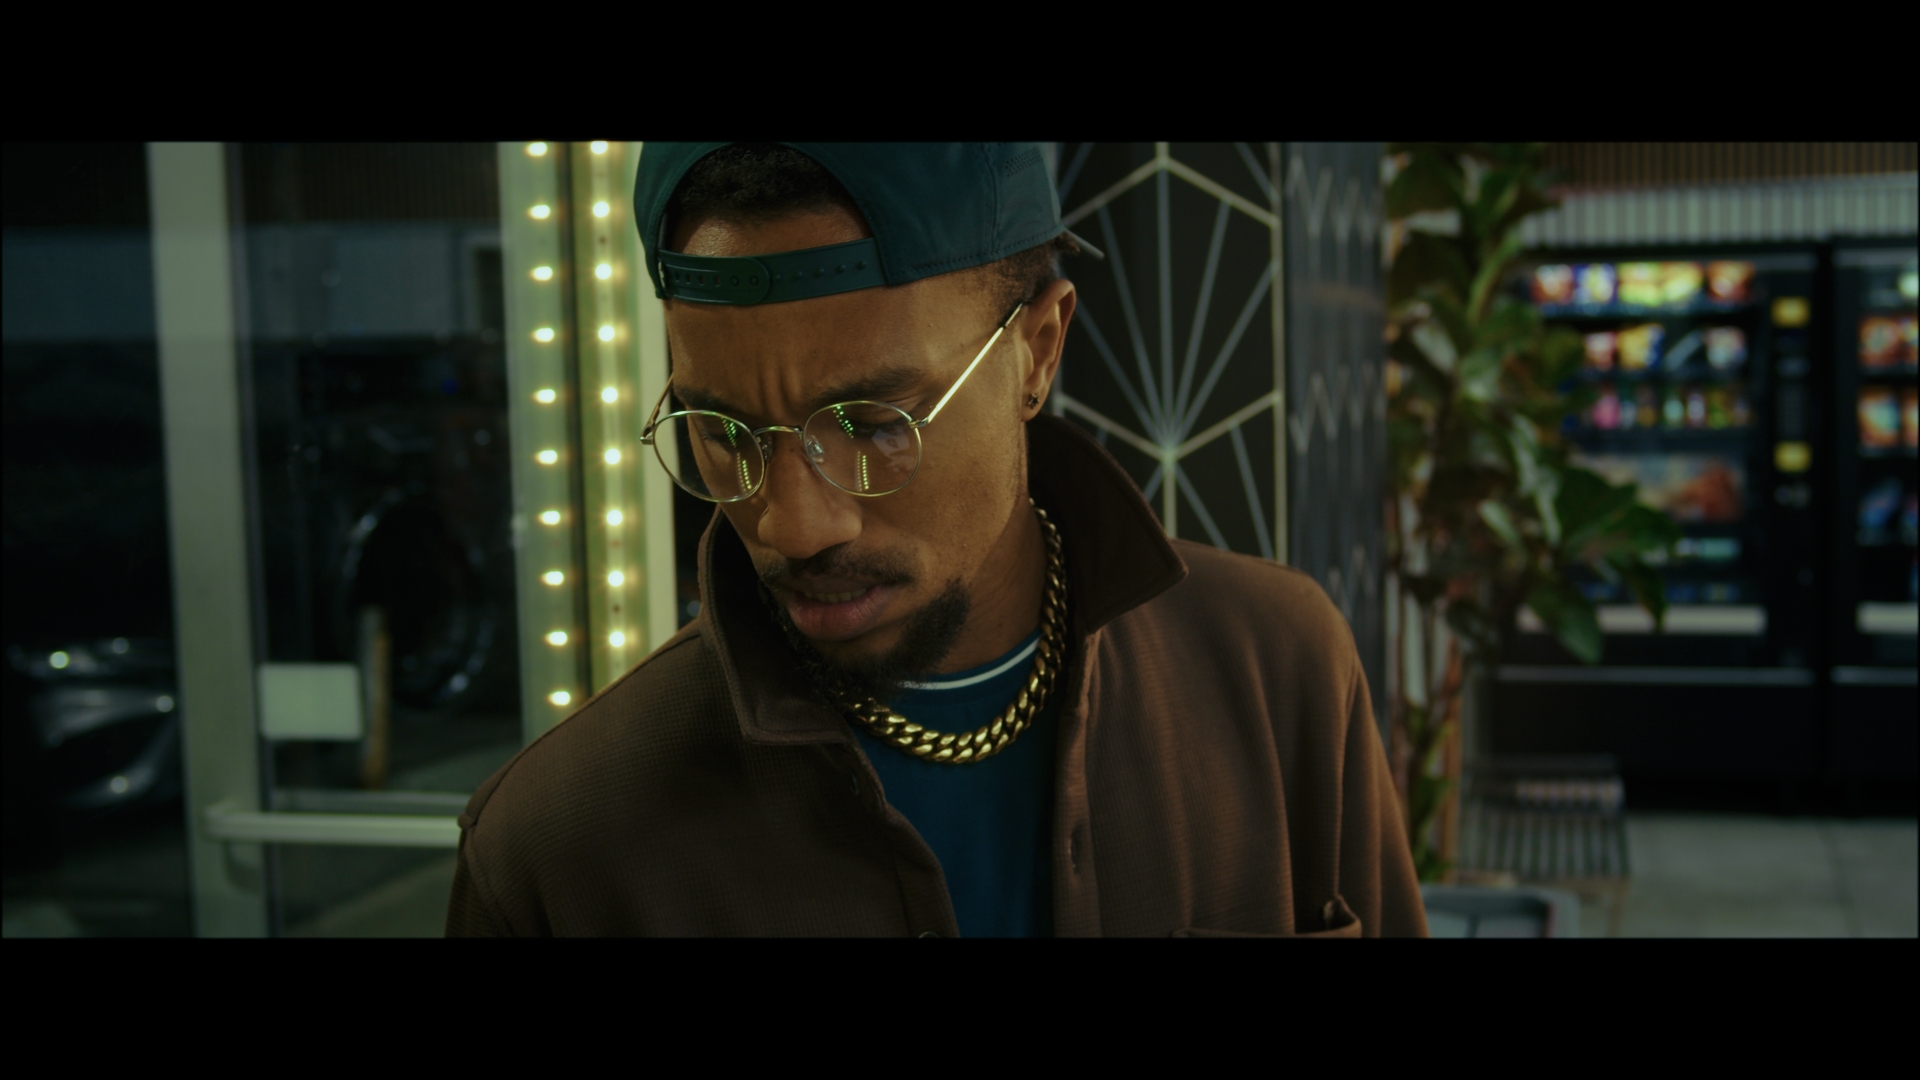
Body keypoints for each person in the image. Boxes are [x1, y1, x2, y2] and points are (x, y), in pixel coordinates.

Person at [445, 143, 1426, 937]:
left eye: (872, 424)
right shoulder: (556, 850)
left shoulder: (1275, 670)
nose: (791, 522)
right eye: (724, 434)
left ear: (1037, 351)